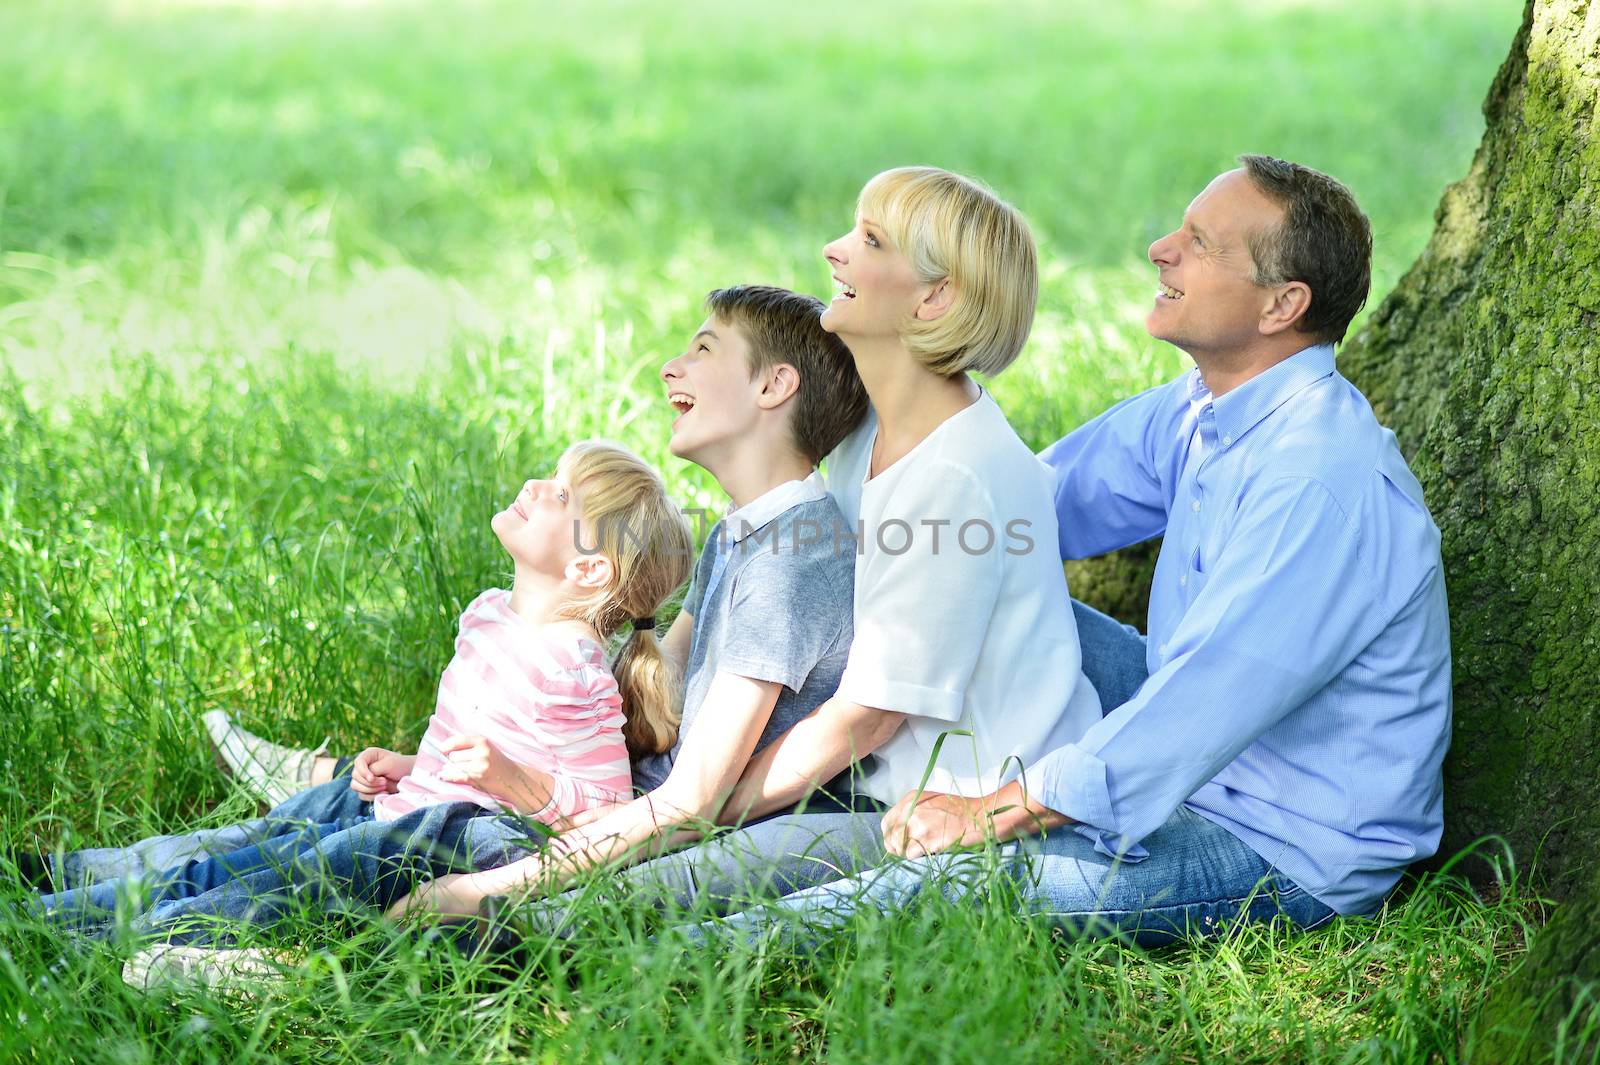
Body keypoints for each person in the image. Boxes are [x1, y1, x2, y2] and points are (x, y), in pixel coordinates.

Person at [692, 155, 1453, 949]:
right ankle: (702, 766)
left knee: (966, 884)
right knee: (926, 577)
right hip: (1185, 721)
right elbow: (1027, 504)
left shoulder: (1319, 484)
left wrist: (993, 810)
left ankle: (686, 949)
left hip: (1278, 836)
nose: (1161, 248)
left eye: (1200, 242)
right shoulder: (1207, 410)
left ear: (1281, 305)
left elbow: (1198, 707)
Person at [386, 166, 1106, 931]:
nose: (835, 251)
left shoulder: (954, 480)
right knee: (564, 835)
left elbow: (859, 723)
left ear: (934, 298)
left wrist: (680, 809)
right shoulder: (872, 429)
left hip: (939, 809)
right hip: (856, 776)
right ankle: (362, 800)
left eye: (869, 239)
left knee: (592, 911)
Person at [114, 284, 882, 986]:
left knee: (337, 860)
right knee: (290, 836)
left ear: (773, 387)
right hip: (570, 805)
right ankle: (82, 884)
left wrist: (484, 882)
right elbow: (654, 683)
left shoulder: (792, 564)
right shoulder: (747, 535)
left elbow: (689, 802)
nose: (671, 366)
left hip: (592, 832)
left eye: (704, 349)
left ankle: (250, 964)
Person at [36, 439, 693, 932]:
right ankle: (49, 876)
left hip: (434, 840)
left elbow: (607, 811)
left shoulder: (575, 667)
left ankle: (59, 927)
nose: (533, 483)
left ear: (588, 567)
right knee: (232, 844)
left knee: (245, 881)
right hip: (398, 801)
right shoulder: (492, 609)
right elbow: (482, 744)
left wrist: (513, 782)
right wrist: (415, 763)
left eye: (558, 493)